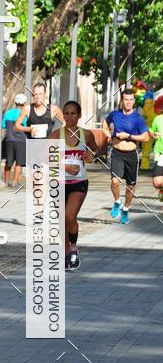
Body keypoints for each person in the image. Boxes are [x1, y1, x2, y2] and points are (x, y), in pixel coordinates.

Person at [49, 101, 97, 271]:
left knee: (70, 216)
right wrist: (64, 166)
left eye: (73, 113)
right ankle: (66, 252)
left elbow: (94, 149)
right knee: (61, 219)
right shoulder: (56, 135)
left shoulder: (86, 134)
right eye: (66, 113)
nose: (69, 117)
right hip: (58, 182)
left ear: (79, 115)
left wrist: (91, 156)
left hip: (79, 182)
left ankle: (74, 247)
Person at [102, 87, 150, 224]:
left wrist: (128, 136)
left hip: (131, 155)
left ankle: (126, 209)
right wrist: (111, 136)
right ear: (122, 101)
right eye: (125, 100)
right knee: (114, 181)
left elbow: (146, 137)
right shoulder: (114, 114)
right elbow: (104, 127)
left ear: (134, 101)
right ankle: (117, 202)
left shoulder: (138, 118)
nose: (128, 102)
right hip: (117, 153)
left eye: (130, 100)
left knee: (131, 186)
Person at [2, 93, 28, 187]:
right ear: (25, 103)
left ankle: (6, 182)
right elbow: (26, 126)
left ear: (15, 102)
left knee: (8, 162)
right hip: (21, 141)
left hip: (9, 140)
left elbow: (3, 126)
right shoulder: (24, 114)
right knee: (19, 162)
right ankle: (15, 182)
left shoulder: (8, 113)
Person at [149, 103, 163, 202]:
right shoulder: (158, 119)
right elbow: (151, 131)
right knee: (157, 183)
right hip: (160, 154)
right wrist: (154, 135)